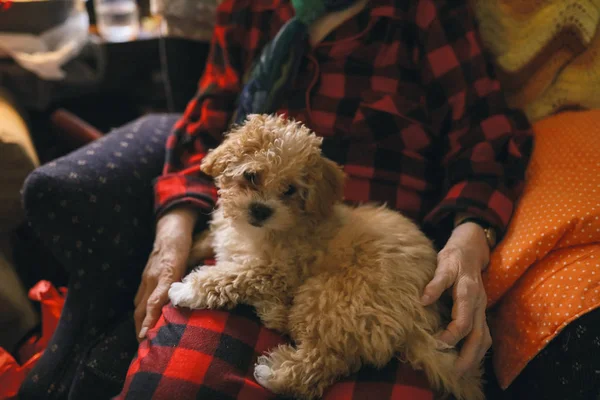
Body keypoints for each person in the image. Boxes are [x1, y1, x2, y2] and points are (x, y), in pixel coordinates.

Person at [19, 0, 538, 399]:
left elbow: (486, 137)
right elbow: (204, 129)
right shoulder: (249, 7)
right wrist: (171, 231)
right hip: (250, 258)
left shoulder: (425, 11)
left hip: (375, 267)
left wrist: (472, 236)